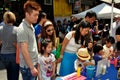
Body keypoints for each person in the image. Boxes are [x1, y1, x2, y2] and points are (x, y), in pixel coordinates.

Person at [17, 1, 41, 80]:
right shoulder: (23, 29)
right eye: (35, 15)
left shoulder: (30, 25)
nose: (37, 17)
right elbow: (24, 51)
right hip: (28, 67)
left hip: (32, 64)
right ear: (27, 14)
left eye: (38, 15)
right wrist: (32, 68)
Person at [0, 11, 19, 80]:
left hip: (3, 54)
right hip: (13, 54)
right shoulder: (17, 30)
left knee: (9, 73)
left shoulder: (0, 29)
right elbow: (18, 45)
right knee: (14, 74)